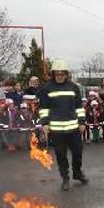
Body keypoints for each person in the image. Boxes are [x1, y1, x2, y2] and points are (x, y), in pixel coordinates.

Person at [38, 59, 88, 191]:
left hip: (73, 128)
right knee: (61, 156)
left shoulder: (73, 87)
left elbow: (79, 107)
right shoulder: (46, 89)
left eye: (62, 74)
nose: (59, 76)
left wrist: (82, 122)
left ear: (66, 74)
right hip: (57, 130)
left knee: (77, 153)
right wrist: (45, 123)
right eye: (57, 74)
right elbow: (44, 108)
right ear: (53, 74)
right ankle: (65, 178)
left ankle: (77, 173)